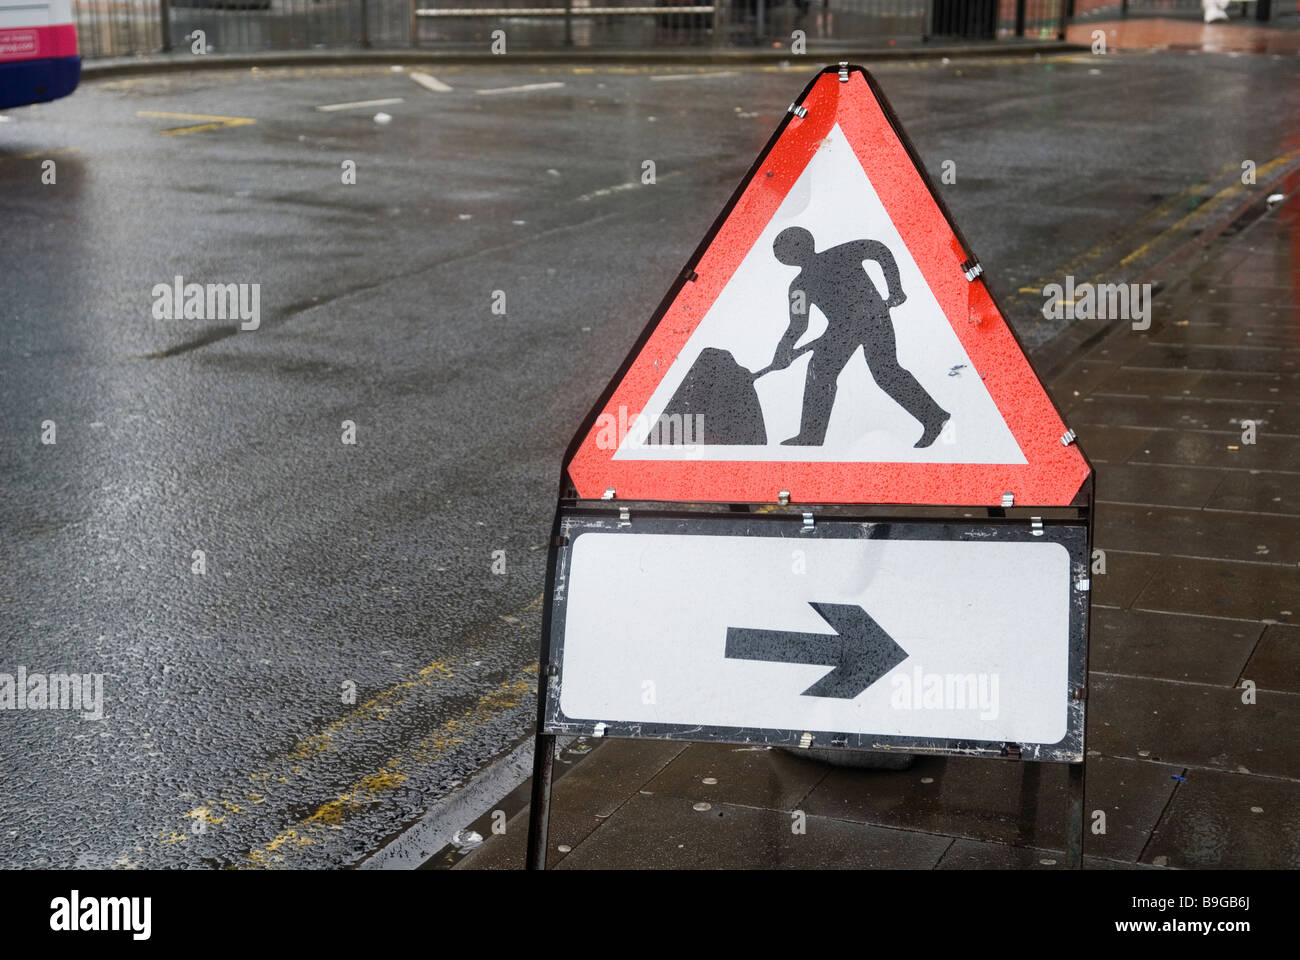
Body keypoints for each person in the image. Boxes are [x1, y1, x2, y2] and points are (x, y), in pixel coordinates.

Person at [768, 226, 950, 448]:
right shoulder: (801, 284)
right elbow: (798, 324)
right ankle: (810, 438)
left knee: (879, 371)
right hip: (848, 325)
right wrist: (783, 350)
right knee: (825, 371)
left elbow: (880, 249)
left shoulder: (824, 266)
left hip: (871, 316)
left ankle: (934, 417)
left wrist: (895, 290)